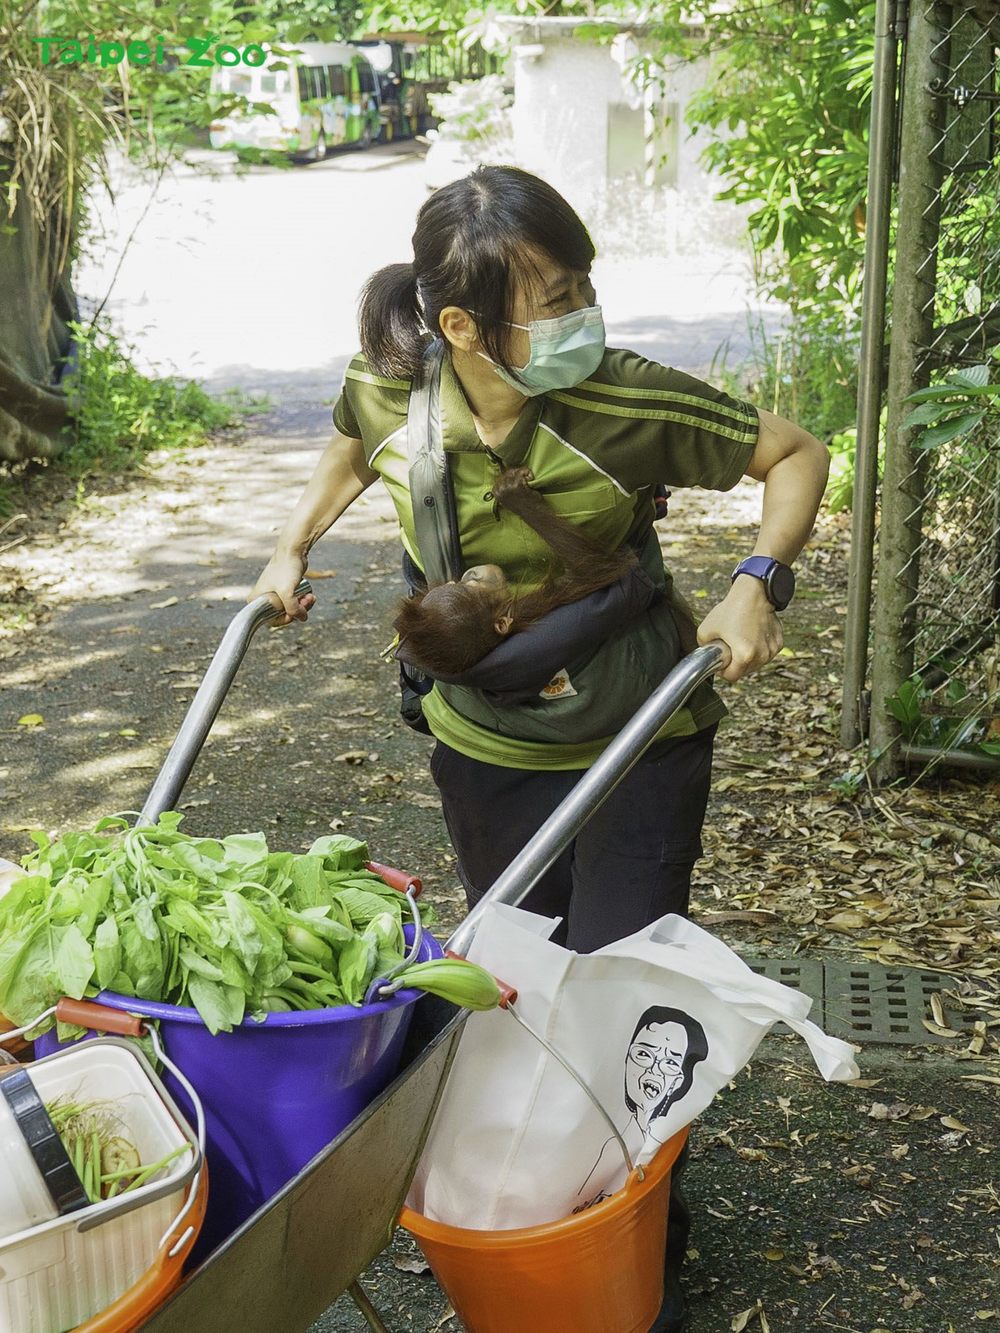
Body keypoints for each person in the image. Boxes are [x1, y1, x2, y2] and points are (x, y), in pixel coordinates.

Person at [251, 165, 829, 1332]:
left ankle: (638, 1227)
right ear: (459, 323)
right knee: (519, 965)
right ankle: (537, 1184)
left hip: (636, 733)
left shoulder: (626, 399)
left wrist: (755, 582)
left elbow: (796, 454)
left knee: (624, 980)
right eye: (552, 296)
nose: (581, 314)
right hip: (484, 736)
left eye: (580, 286)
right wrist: (288, 546)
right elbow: (347, 449)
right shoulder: (398, 390)